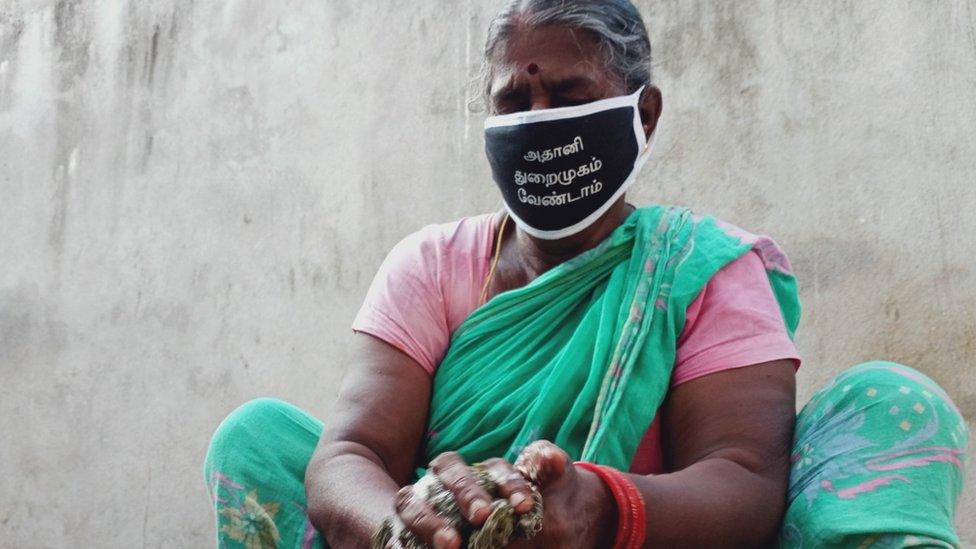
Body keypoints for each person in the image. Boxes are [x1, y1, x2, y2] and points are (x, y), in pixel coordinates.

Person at [204, 1, 969, 547]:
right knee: (257, 439)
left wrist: (603, 507)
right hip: (450, 538)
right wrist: (404, 528)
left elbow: (744, 478)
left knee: (893, 399)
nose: (539, 116)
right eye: (516, 98)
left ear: (645, 115)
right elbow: (351, 453)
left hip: (631, 537)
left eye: (569, 96)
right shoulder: (430, 263)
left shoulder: (702, 269)